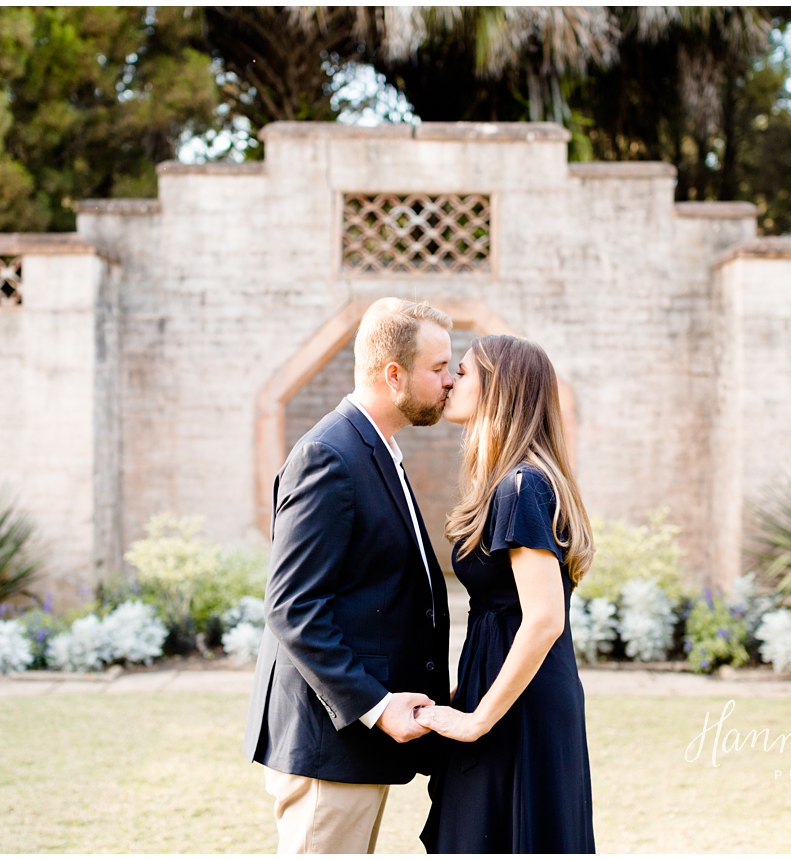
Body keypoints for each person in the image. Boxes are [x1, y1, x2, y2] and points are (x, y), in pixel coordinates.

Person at [244, 297, 454, 853]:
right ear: (394, 375)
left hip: (356, 747)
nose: (450, 381)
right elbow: (292, 608)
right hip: (327, 742)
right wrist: (378, 707)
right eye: (438, 369)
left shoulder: (379, 449)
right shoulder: (328, 455)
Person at [415, 334, 597, 853]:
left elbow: (543, 619)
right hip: (499, 693)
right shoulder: (507, 484)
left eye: (464, 372)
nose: (450, 380)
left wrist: (476, 720)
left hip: (519, 707)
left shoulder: (523, 486)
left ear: (499, 390)